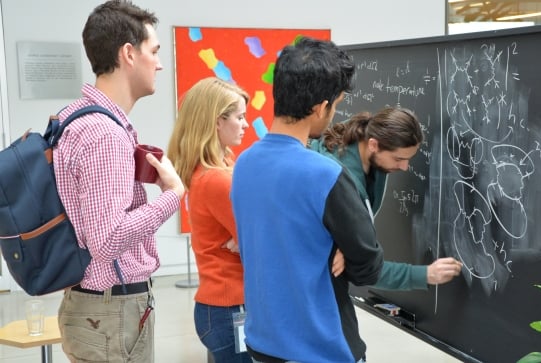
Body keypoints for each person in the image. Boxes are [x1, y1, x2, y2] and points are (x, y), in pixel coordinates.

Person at [231, 37, 383, 363]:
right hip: (322, 349)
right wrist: (341, 245)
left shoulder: (243, 164)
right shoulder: (326, 175)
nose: (334, 114)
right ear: (319, 107)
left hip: (263, 343)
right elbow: (368, 267)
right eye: (336, 105)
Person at [54, 1, 184, 362]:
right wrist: (172, 195)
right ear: (128, 53)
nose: (159, 63)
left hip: (99, 308)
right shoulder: (104, 133)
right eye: (154, 51)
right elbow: (107, 240)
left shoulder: (75, 118)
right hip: (112, 311)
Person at [309, 107, 463, 290]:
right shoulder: (343, 185)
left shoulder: (360, 146)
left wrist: (346, 242)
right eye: (398, 159)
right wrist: (426, 274)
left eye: (408, 159)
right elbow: (365, 268)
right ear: (373, 144)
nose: (405, 167)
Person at [166, 77, 252, 363]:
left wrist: (244, 240)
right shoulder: (217, 178)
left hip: (222, 309)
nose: (246, 125)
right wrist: (248, 240)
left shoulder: (220, 166)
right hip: (230, 309)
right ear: (217, 121)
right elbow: (260, 239)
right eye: (239, 117)